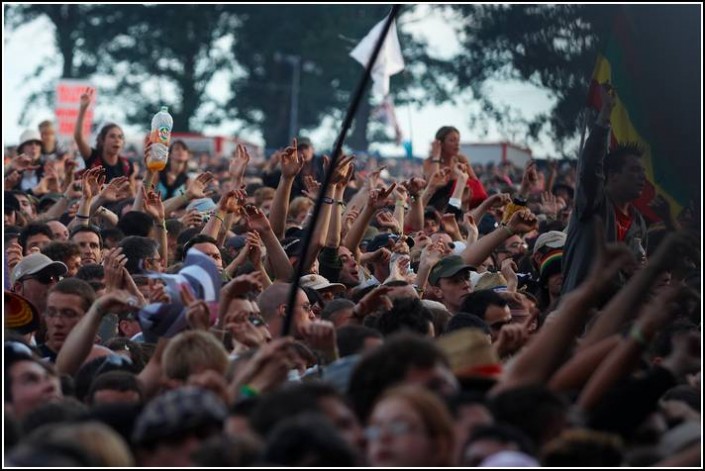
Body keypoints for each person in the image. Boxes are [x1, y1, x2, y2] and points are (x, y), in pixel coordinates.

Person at [561, 84, 648, 295]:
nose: (642, 177)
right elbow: (591, 166)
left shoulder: (639, 223)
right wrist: (604, 116)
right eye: (634, 171)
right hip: (579, 317)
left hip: (615, 319)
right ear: (613, 175)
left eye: (642, 172)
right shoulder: (593, 204)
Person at [422, 126, 488, 212]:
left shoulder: (461, 159)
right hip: (435, 208)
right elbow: (432, 183)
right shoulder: (430, 161)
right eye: (452, 140)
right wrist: (436, 156)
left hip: (459, 206)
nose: (457, 144)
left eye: (458, 140)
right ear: (440, 143)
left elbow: (475, 183)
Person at [74, 88, 133, 182]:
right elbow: (78, 137)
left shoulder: (127, 165)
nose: (117, 140)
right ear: (102, 140)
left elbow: (132, 192)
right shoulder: (93, 156)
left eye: (120, 137)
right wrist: (83, 108)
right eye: (112, 136)